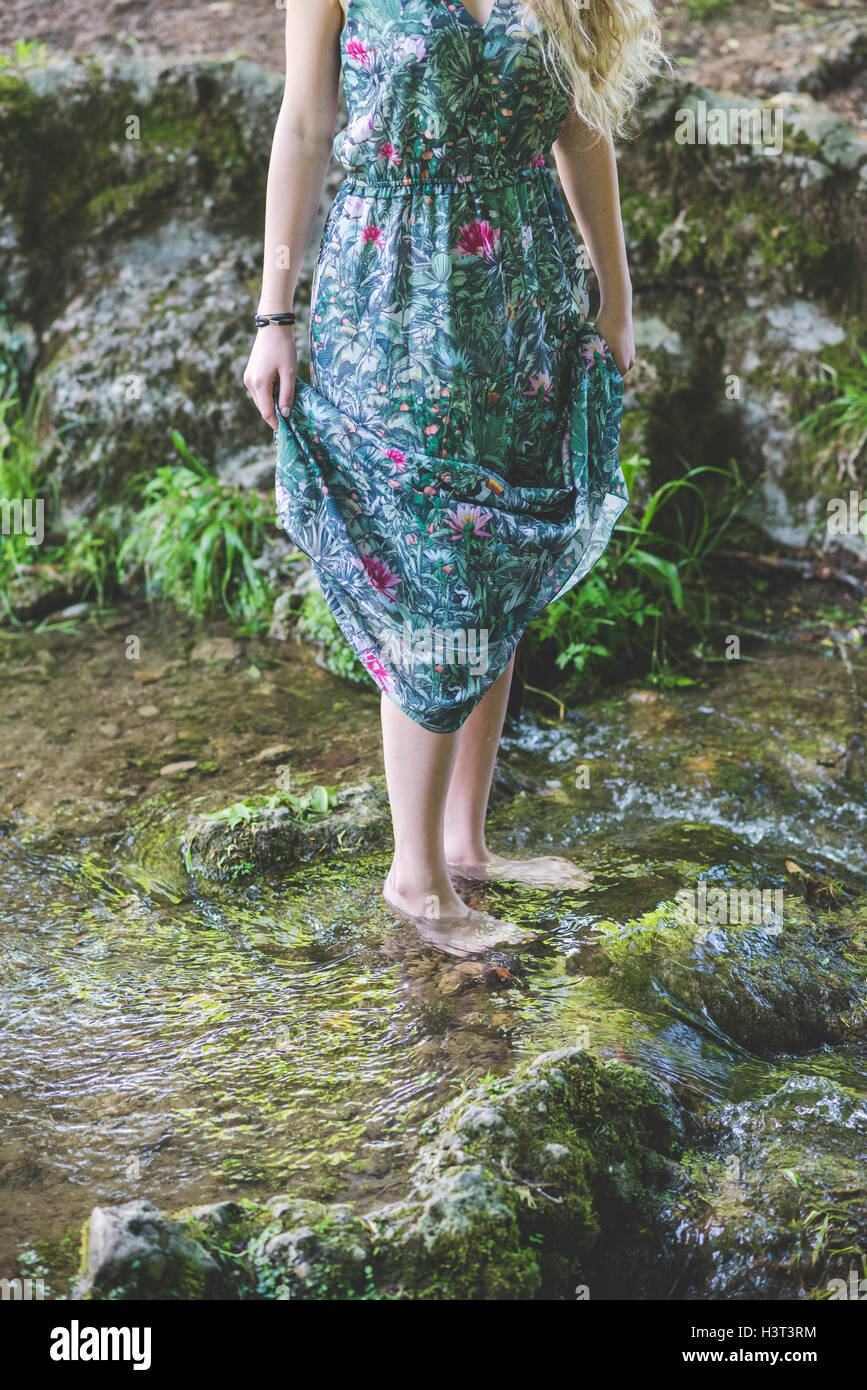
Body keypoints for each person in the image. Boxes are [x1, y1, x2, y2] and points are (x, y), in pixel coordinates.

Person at [244, 0, 664, 956]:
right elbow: (306, 125)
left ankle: (466, 844)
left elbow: (581, 130)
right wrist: (274, 316)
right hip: (387, 297)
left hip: (524, 299)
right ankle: (414, 877)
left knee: (498, 559)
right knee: (436, 571)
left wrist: (615, 302)